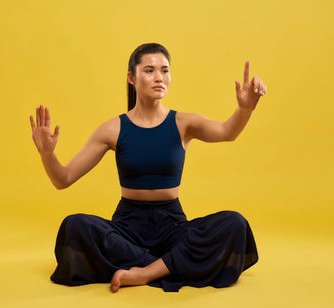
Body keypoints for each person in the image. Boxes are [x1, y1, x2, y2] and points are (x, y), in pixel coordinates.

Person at [29, 43, 267, 293]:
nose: (159, 77)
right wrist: (47, 154)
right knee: (74, 227)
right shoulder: (112, 129)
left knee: (234, 224)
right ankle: (169, 266)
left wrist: (245, 108)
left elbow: (227, 132)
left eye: (165, 70)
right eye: (150, 70)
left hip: (172, 226)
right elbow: (63, 178)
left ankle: (144, 272)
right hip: (126, 227)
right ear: (131, 77)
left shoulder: (184, 123)